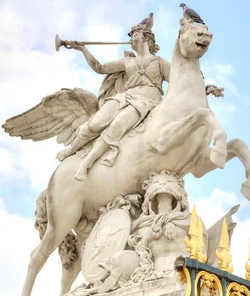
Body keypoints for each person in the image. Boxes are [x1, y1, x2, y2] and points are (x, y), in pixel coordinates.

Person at [57, 24, 170, 181]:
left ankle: (86, 164)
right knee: (95, 122)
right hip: (126, 96)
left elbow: (178, 81)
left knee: (117, 125)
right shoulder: (127, 62)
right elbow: (100, 67)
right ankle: (72, 149)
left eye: (134, 34)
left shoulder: (160, 62)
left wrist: (203, 87)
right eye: (130, 36)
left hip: (147, 100)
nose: (131, 38)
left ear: (145, 37)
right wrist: (83, 49)